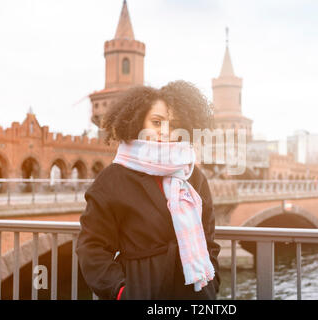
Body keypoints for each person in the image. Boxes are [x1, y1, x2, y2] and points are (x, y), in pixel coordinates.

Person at [75, 80, 221, 300]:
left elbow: (208, 237)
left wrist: (213, 281)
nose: (165, 132)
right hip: (142, 291)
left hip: (195, 294)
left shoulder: (193, 175)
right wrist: (121, 292)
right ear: (138, 120)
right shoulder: (114, 178)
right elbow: (92, 247)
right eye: (156, 122)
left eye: (174, 125)